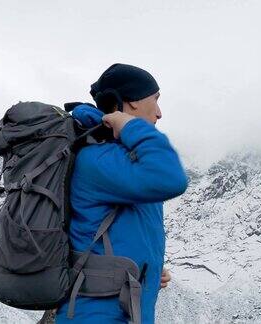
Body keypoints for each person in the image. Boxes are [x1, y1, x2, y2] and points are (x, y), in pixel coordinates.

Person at [55, 63, 188, 323]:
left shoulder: (121, 160)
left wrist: (148, 270)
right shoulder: (99, 159)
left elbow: (116, 231)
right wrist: (129, 125)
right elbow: (171, 177)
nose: (159, 113)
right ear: (133, 102)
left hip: (123, 312)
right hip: (95, 316)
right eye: (156, 100)